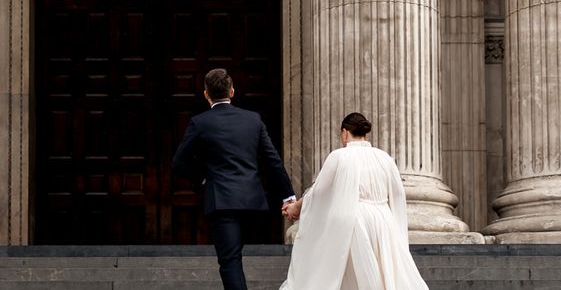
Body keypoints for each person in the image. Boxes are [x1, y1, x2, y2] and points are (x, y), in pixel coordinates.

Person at [173, 68, 295, 290]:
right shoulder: (253, 120)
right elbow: (273, 161)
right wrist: (288, 196)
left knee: (230, 261)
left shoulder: (199, 122)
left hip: (222, 202)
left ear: (206, 94)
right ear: (232, 92)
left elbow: (179, 162)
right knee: (235, 258)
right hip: (253, 201)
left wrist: (202, 178)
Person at [280, 112, 429, 290]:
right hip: (383, 221)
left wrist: (296, 206)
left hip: (352, 221)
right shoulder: (384, 158)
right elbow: (397, 195)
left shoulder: (338, 156)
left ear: (344, 132)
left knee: (352, 274)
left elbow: (319, 191)